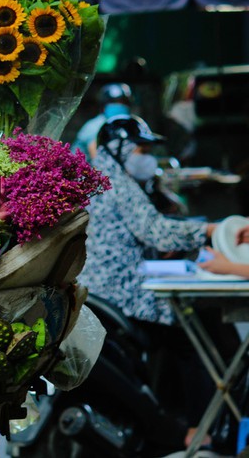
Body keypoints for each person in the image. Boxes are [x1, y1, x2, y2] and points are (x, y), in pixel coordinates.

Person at [77, 114, 239, 449]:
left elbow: (146, 231)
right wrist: (213, 230)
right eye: (142, 149)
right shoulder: (112, 180)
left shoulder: (112, 177)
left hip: (117, 285)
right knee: (189, 338)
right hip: (116, 292)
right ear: (121, 148)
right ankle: (198, 430)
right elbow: (155, 231)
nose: (148, 157)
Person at [72, 83, 133, 160]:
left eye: (124, 102)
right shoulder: (95, 125)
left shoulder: (127, 125)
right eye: (114, 102)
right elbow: (98, 159)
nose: (120, 105)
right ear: (104, 105)